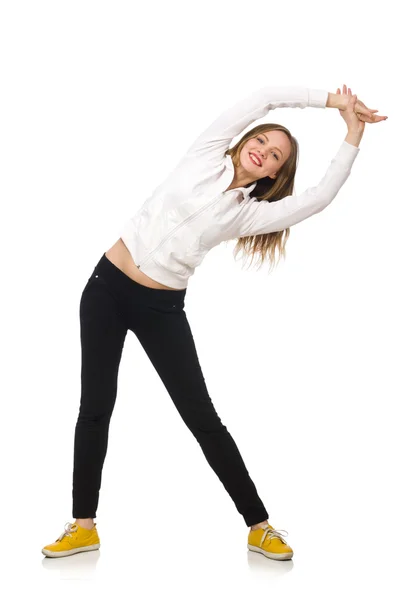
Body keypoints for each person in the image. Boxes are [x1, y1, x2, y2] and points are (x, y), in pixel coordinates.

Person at [42, 84, 386, 560]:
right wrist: (331, 101)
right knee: (95, 406)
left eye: (275, 156)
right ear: (248, 138)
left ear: (275, 175)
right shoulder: (204, 154)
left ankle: (258, 525)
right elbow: (266, 96)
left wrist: (352, 134)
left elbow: (319, 197)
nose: (263, 151)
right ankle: (83, 526)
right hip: (105, 288)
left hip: (160, 308)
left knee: (201, 416)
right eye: (263, 141)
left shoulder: (248, 214)